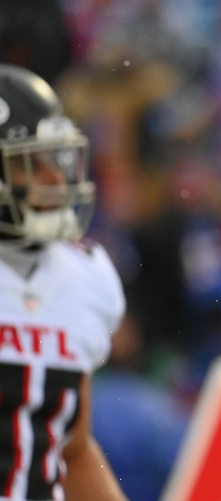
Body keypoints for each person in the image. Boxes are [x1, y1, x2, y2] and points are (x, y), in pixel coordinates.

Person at [0, 64, 127, 501]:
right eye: (28, 165)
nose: (54, 179)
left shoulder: (84, 277)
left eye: (53, 158)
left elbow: (71, 450)